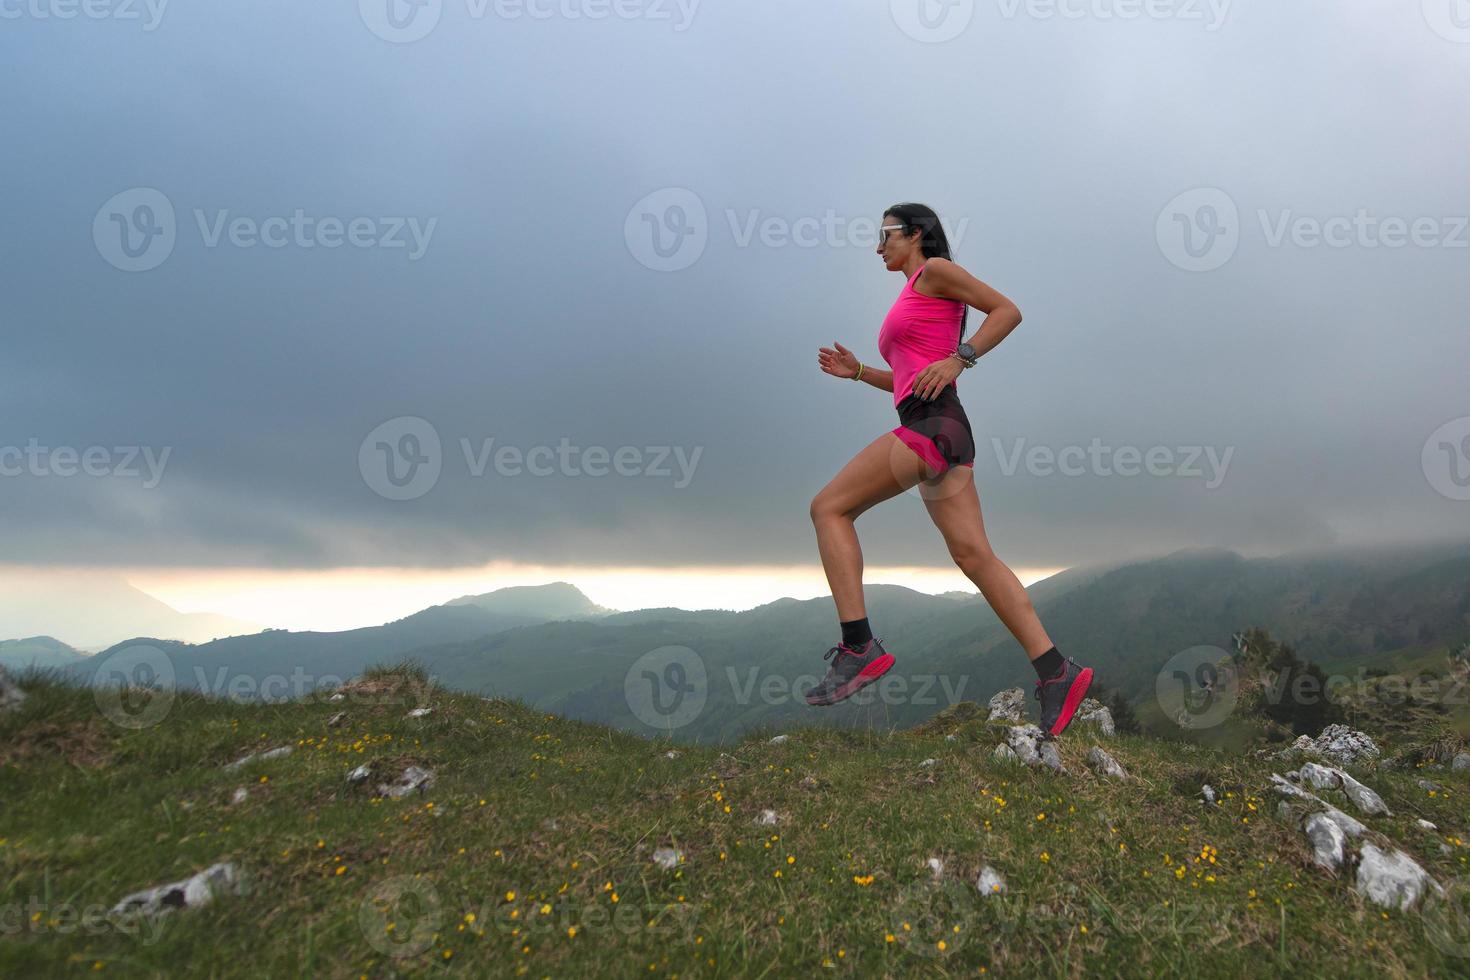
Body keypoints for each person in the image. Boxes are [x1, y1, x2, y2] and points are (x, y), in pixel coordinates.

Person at [804, 202, 1094, 738]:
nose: (878, 246)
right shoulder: (917, 290)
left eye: (886, 235)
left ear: (915, 235)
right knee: (973, 555)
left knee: (828, 507)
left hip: (934, 427)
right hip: (941, 427)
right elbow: (912, 378)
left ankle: (858, 645)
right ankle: (1056, 672)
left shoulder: (935, 273)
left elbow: (1008, 310)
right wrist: (861, 372)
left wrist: (962, 356)